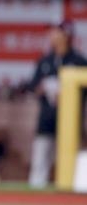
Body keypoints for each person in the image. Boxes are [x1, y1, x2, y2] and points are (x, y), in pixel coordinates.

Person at [27, 20, 87, 188]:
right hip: (47, 119)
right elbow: (32, 86)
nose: (52, 36)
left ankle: (70, 198)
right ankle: (35, 197)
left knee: (70, 164)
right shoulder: (45, 60)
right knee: (40, 162)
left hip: (70, 121)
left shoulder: (79, 61)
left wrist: (67, 92)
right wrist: (44, 88)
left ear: (66, 35)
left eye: (56, 32)